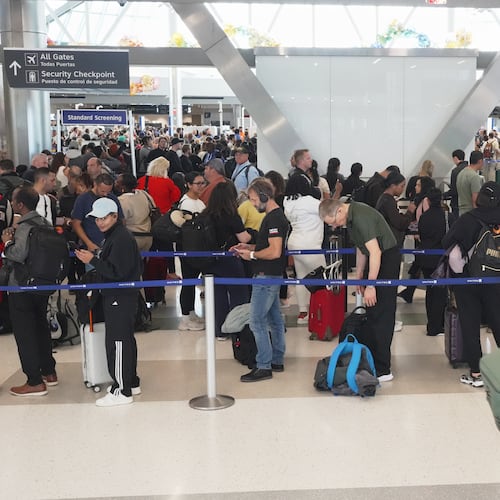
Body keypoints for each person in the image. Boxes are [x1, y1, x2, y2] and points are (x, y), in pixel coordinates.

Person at [319, 198, 399, 382]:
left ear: (339, 211)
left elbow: (376, 252)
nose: (334, 227)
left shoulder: (361, 216)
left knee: (382, 314)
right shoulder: (351, 218)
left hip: (385, 260)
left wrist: (371, 285)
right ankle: (373, 361)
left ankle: (383, 369)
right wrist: (359, 275)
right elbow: (361, 248)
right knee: (372, 313)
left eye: (333, 222)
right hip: (375, 261)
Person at [75, 197, 142, 406]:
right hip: (119, 297)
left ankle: (122, 389)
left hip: (119, 297)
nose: (100, 222)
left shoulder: (120, 238)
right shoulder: (115, 237)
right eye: (97, 218)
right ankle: (131, 381)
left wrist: (92, 261)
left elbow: (117, 272)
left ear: (115, 216)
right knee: (124, 340)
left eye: (104, 218)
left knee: (118, 342)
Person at [442, 181, 500, 387]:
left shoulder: (467, 219)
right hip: (495, 280)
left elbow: (446, 242)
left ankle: (476, 373)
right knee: (497, 320)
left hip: (467, 280)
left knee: (470, 324)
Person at [2, 186, 57, 396]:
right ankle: (49, 372)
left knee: (25, 333)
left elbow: (17, 254)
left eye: (14, 201)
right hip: (41, 285)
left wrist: (7, 242)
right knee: (41, 327)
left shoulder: (25, 227)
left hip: (21, 286)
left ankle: (34, 380)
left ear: (20, 205)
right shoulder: (45, 223)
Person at [232, 178, 289, 382]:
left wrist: (252, 256)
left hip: (266, 276)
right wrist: (249, 248)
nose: (253, 204)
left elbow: (274, 251)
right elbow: (269, 246)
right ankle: (276, 359)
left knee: (256, 321)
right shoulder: (273, 216)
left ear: (265, 197)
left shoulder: (274, 219)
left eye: (255, 199)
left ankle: (263, 365)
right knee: (274, 320)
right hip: (271, 275)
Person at [203, 182, 252, 339]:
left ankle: (219, 331)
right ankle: (238, 328)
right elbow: (244, 238)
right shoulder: (231, 214)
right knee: (239, 294)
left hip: (210, 260)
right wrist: (253, 233)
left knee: (217, 296)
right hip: (230, 259)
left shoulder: (205, 214)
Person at [284, 174, 325, 325]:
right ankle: (322, 312)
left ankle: (303, 313)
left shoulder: (287, 202)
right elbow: (326, 211)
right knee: (324, 278)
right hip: (310, 244)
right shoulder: (309, 201)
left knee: (301, 278)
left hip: (294, 242)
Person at [176, 172, 206, 331]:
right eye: (198, 183)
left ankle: (191, 312)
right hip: (187, 247)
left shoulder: (199, 203)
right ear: (188, 184)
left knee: (193, 280)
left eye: (203, 183)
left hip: (197, 247)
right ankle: (185, 317)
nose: (201, 186)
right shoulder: (185, 203)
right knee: (188, 281)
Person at [416, 188, 447, 337]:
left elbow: (421, 235)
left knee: (430, 291)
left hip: (426, 258)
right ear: (440, 200)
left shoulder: (424, 217)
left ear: (427, 200)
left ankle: (431, 325)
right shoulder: (446, 216)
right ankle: (438, 325)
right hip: (441, 259)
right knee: (440, 293)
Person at [71, 173, 123, 252]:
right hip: (92, 246)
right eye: (102, 191)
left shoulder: (113, 198)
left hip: (112, 245)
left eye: (108, 191)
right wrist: (89, 243)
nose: (105, 194)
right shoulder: (83, 199)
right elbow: (76, 223)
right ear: (95, 184)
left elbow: (121, 220)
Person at [115, 173, 155, 253]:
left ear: (123, 186)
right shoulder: (144, 194)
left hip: (132, 239)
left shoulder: (121, 201)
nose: (115, 183)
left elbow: (120, 222)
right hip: (148, 238)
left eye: (117, 182)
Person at [457, 150, 484, 216]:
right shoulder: (474, 177)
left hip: (461, 212)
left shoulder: (461, 173)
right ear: (480, 161)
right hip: (471, 212)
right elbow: (475, 199)